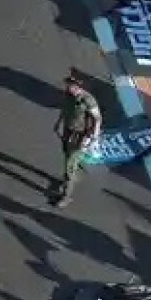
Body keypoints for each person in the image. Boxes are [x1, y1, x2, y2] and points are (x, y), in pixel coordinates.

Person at [52, 75, 103, 207]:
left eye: (71, 86)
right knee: (67, 154)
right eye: (68, 85)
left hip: (80, 135)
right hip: (68, 130)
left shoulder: (87, 100)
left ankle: (66, 196)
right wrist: (58, 123)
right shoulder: (68, 95)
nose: (68, 87)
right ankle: (74, 172)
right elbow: (65, 109)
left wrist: (93, 138)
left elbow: (97, 119)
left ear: (78, 87)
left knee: (70, 164)